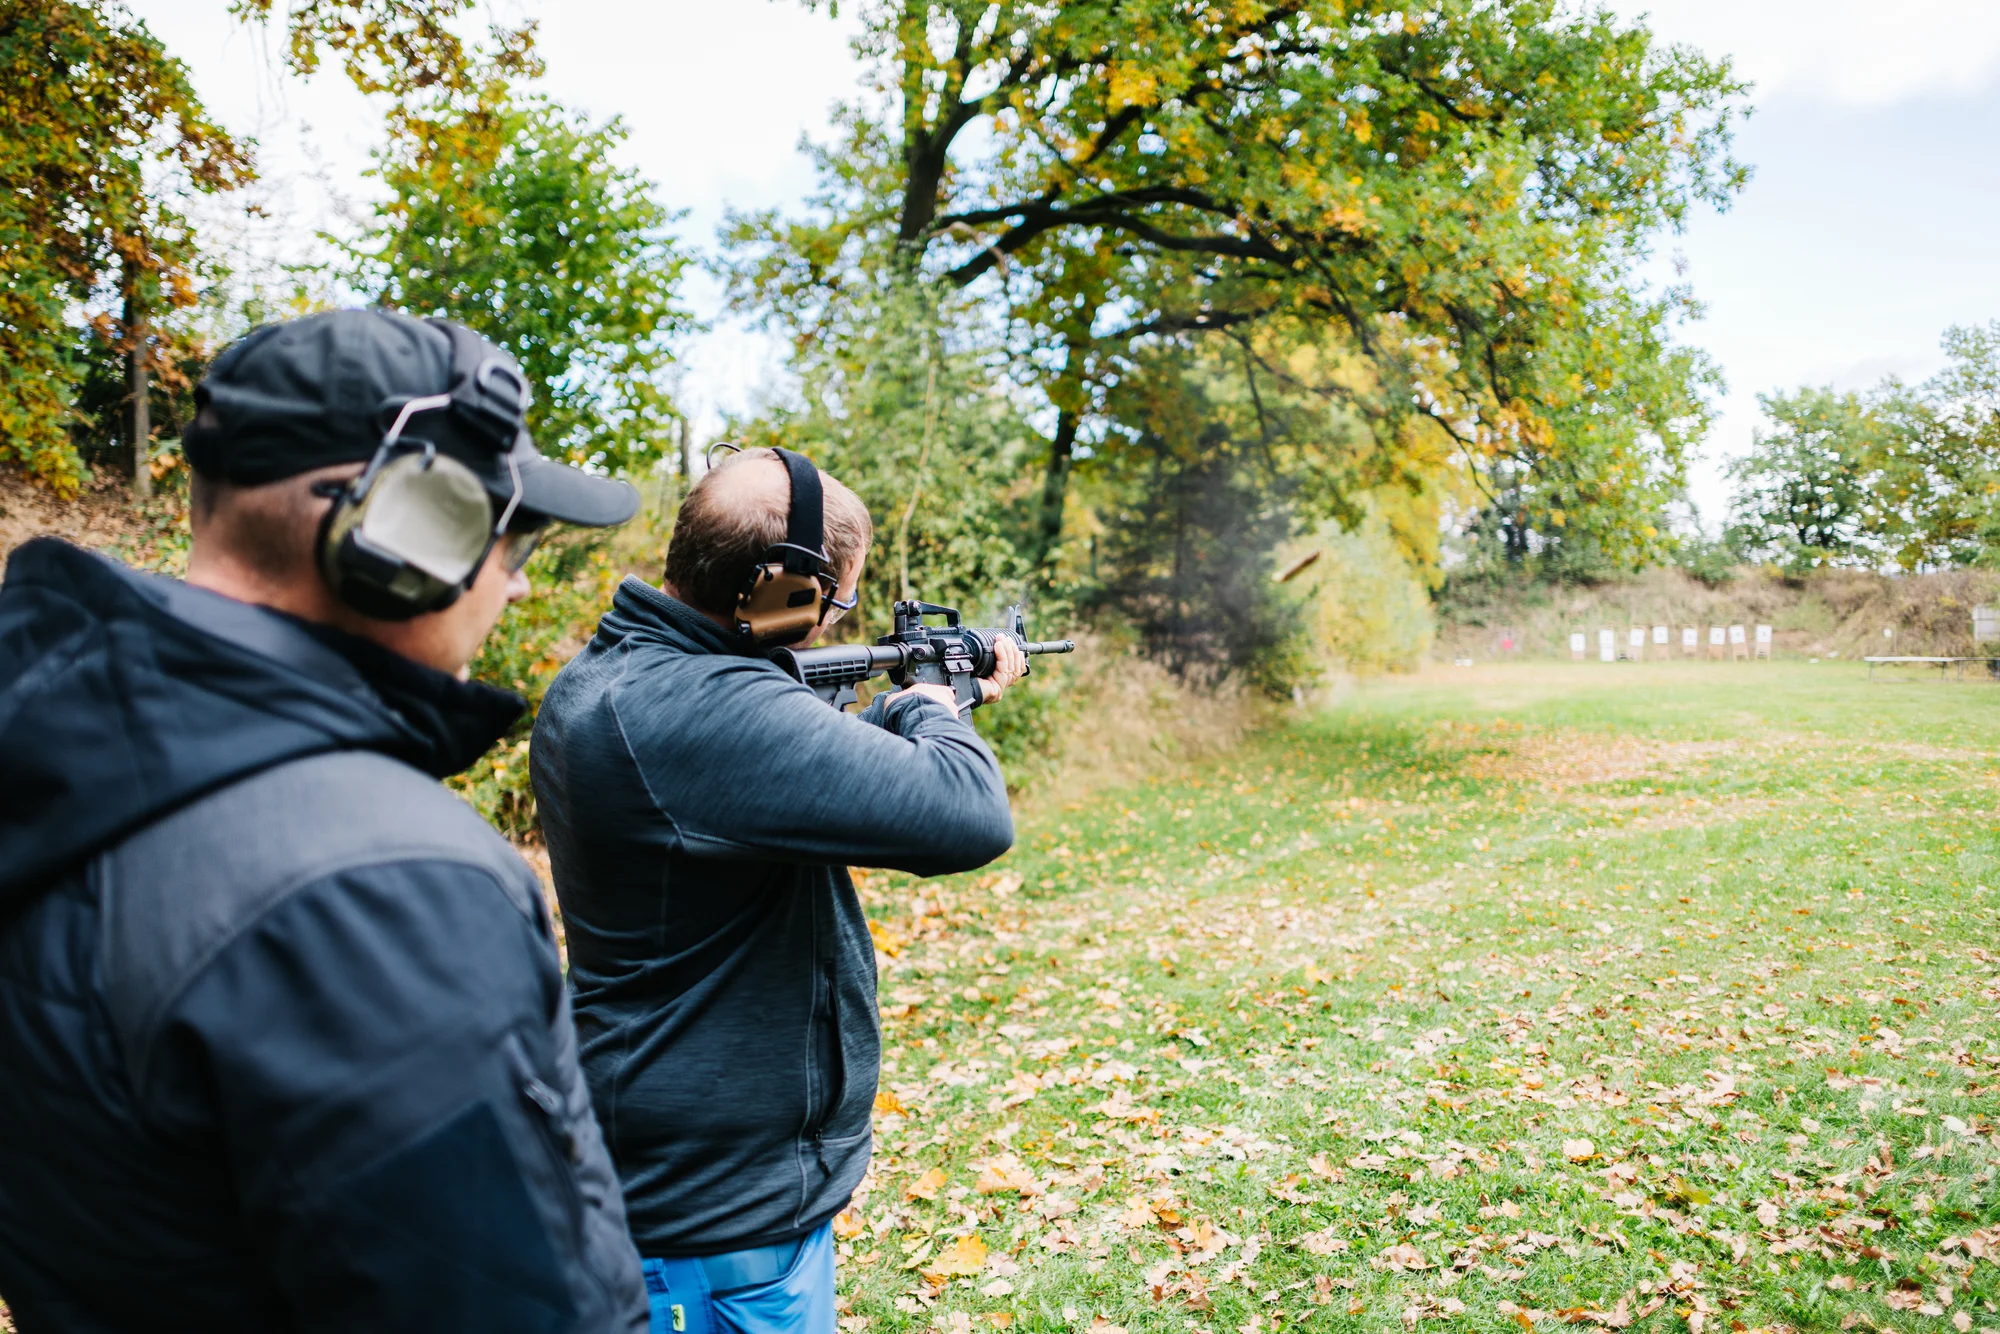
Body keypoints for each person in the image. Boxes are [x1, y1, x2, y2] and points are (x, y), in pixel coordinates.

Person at [0, 309, 651, 1332]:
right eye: (509, 529)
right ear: (407, 526)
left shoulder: (69, 768)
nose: (518, 575)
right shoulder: (383, 885)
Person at [530, 446, 1024, 1334]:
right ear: (783, 592)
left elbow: (779, 758)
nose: (831, 626)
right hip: (712, 1231)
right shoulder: (695, 707)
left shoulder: (622, 672)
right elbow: (969, 813)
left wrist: (912, 710)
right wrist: (930, 704)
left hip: (707, 1188)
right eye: (834, 604)